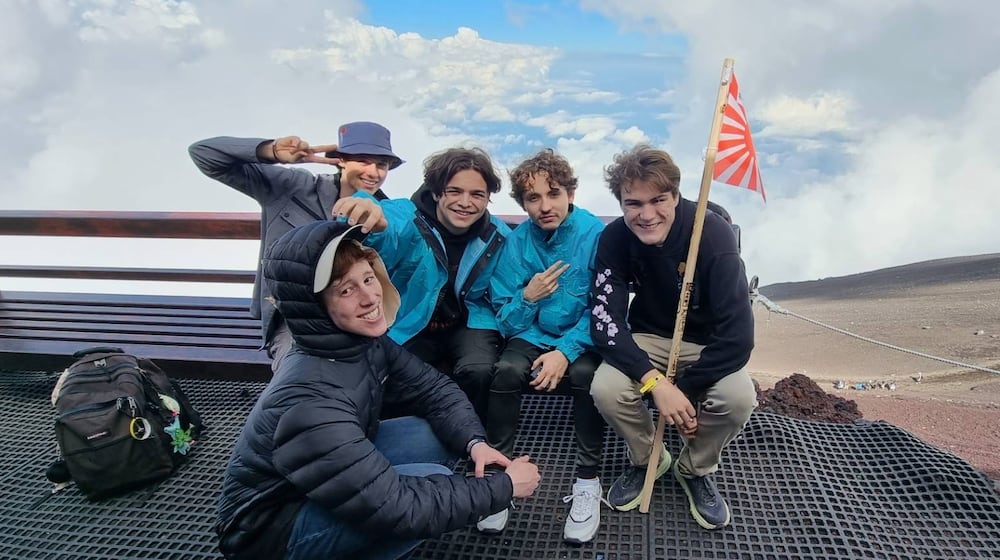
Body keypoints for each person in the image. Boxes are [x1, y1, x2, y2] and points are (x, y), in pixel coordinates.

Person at [215, 220, 540, 560]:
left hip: (320, 477)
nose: (371, 297)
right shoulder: (308, 400)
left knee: (431, 434)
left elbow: (434, 389)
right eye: (346, 290)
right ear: (314, 307)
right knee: (426, 494)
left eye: (368, 278)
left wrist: (475, 443)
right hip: (270, 532)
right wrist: (503, 488)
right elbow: (399, 508)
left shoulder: (360, 343)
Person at [589, 144, 756, 530]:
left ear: (676, 196)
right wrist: (657, 384)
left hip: (707, 344)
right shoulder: (614, 239)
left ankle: (694, 467)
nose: (646, 215)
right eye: (633, 204)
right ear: (620, 202)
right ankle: (649, 457)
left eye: (658, 200)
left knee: (737, 400)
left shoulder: (712, 235)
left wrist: (687, 389)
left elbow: (738, 337)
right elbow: (605, 323)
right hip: (647, 336)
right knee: (607, 389)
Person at [188, 122, 403, 372]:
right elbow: (204, 154)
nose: (373, 173)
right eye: (363, 161)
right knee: (300, 375)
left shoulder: (386, 214)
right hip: (295, 317)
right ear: (341, 160)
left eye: (382, 165)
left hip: (358, 313)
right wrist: (271, 151)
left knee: (381, 375)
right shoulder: (293, 187)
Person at [478, 149, 607, 541]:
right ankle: (498, 481)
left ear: (569, 192)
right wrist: (529, 297)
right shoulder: (518, 243)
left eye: (553, 193)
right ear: (523, 203)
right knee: (506, 370)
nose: (544, 206)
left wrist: (565, 353)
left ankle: (588, 480)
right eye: (533, 198)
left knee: (587, 376)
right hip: (531, 334)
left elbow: (603, 307)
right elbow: (505, 317)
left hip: (583, 336)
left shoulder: (595, 236)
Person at [331, 147, 510, 421]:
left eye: (477, 195)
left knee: (479, 369)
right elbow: (383, 227)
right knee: (389, 370)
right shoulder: (407, 217)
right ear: (437, 192)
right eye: (454, 191)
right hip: (412, 318)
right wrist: (368, 214)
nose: (465, 202)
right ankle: (404, 434)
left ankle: (471, 435)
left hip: (468, 321)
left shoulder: (496, 235)